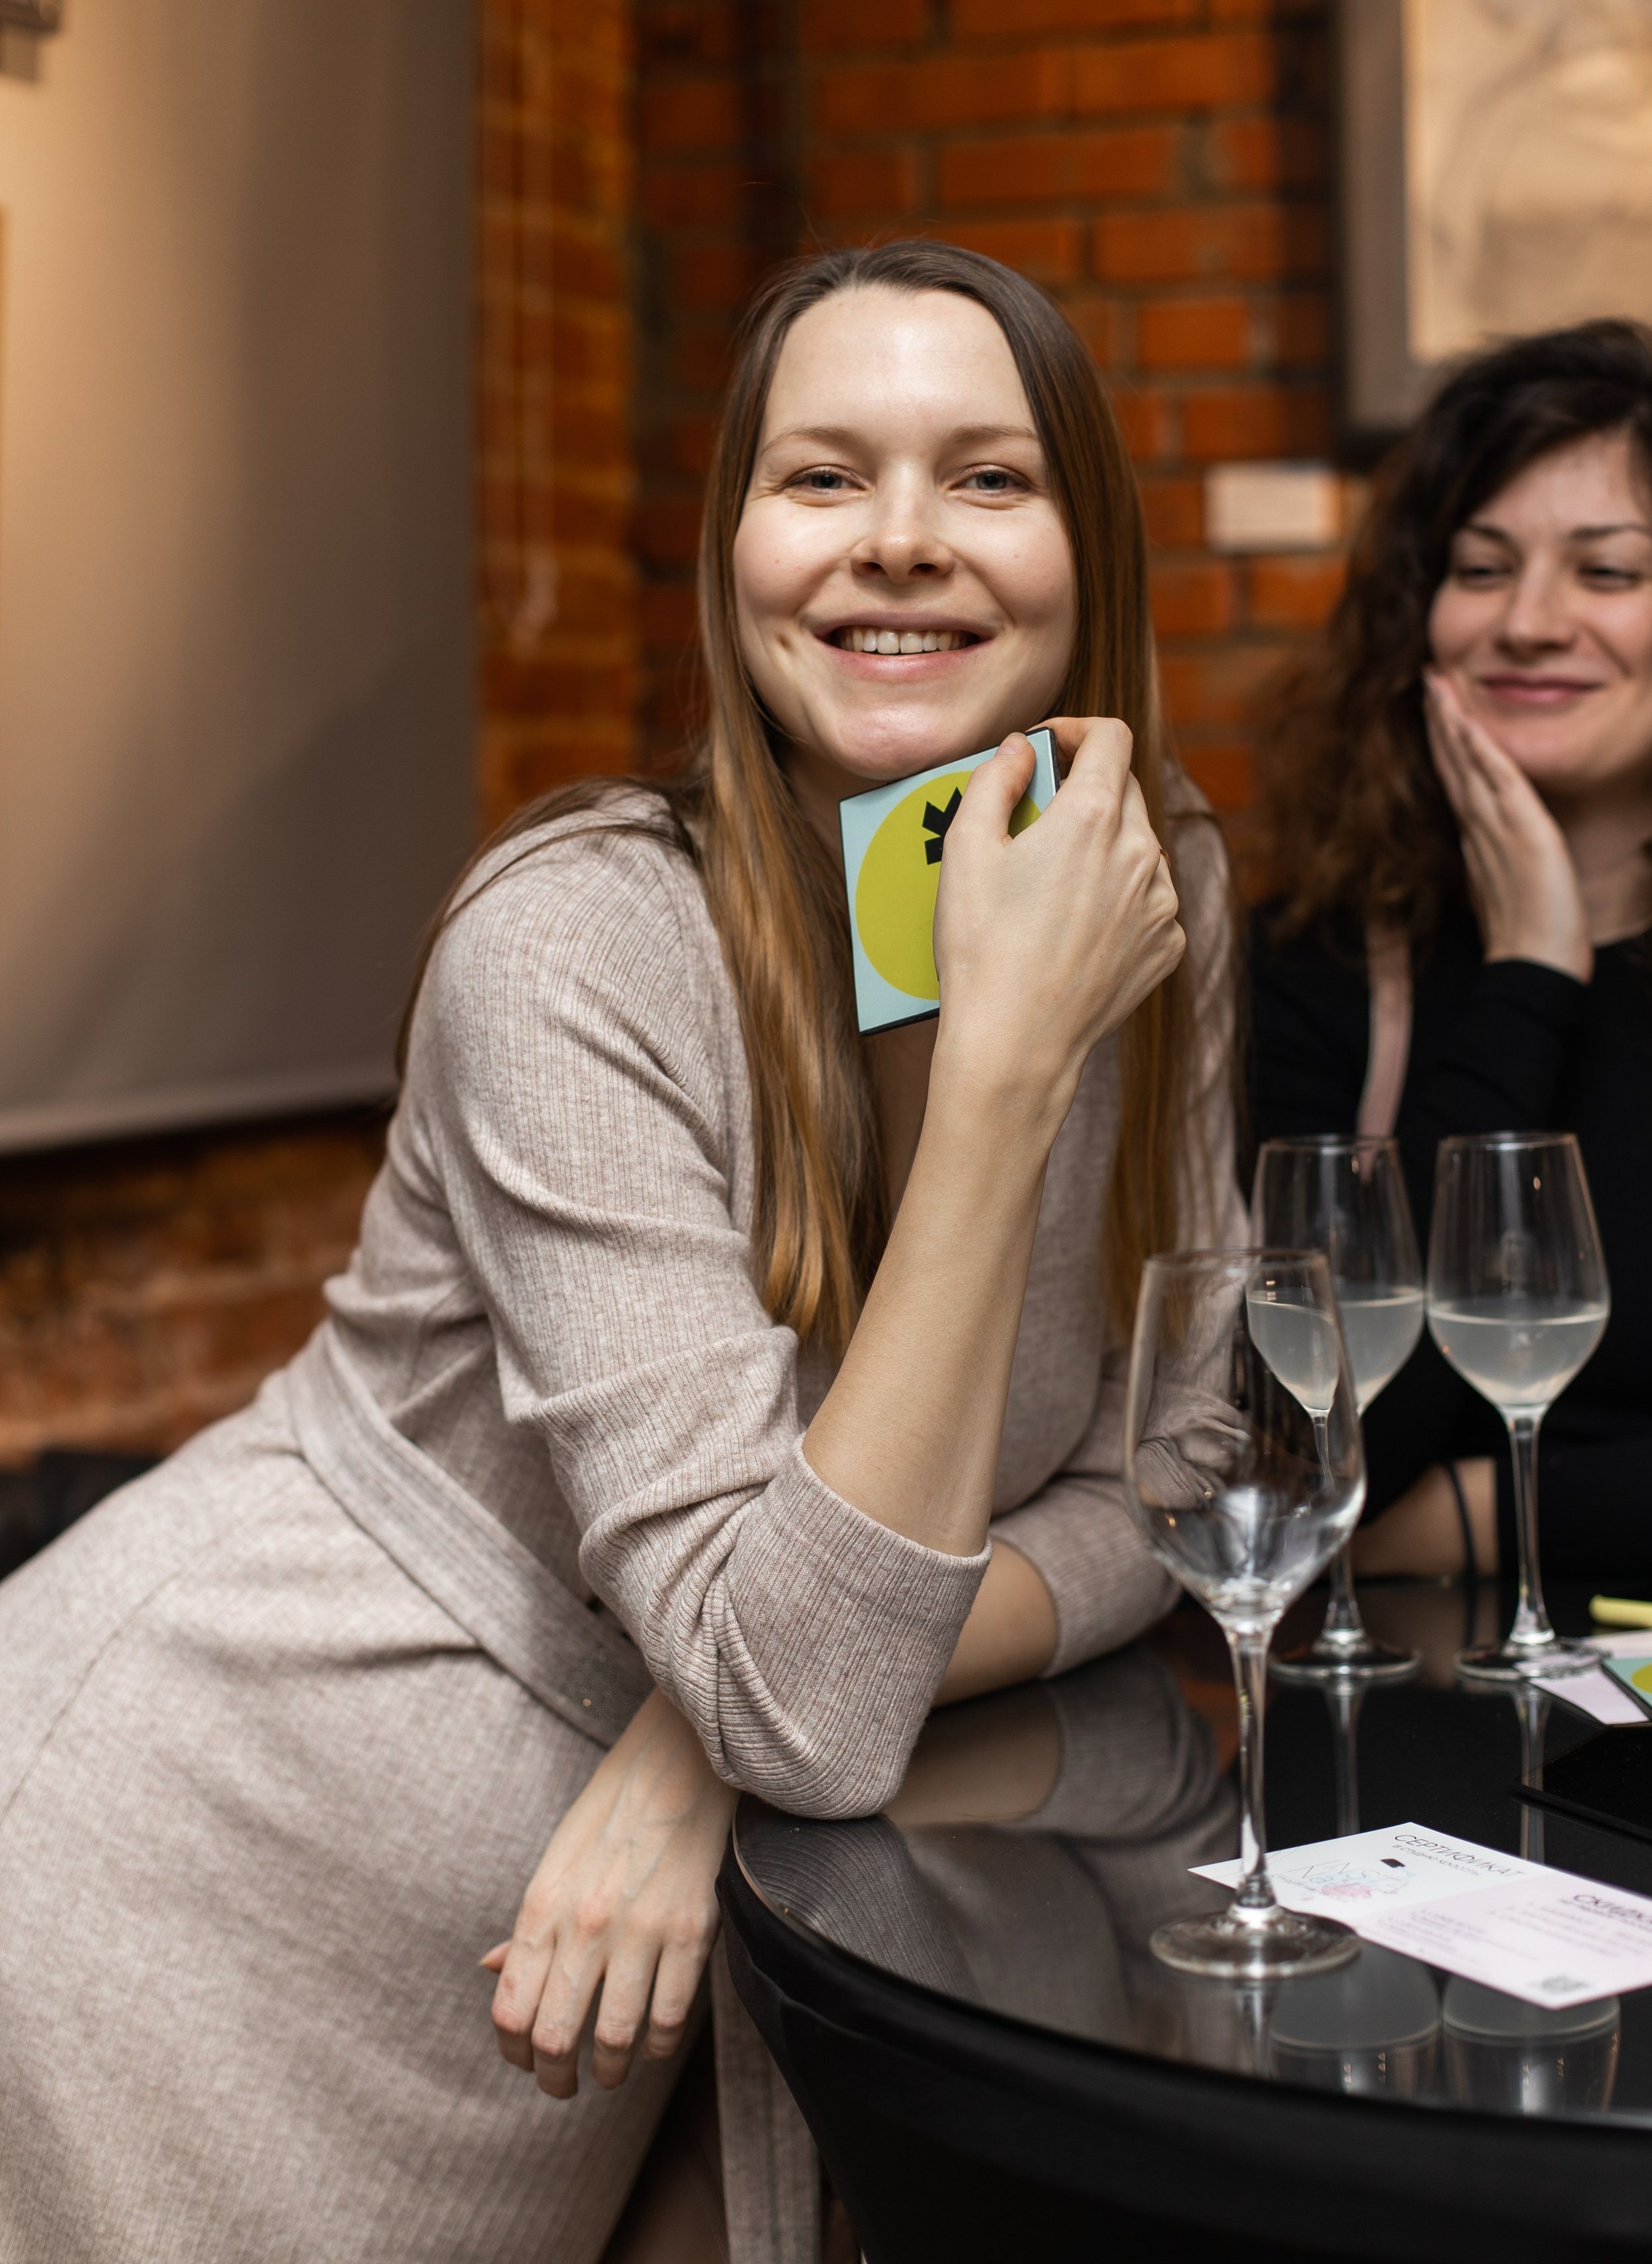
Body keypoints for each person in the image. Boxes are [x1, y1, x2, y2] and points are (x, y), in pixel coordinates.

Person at [0, 240, 1240, 2264]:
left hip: (630, 1957)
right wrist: (1002, 1077)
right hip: (207, 1879)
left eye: (988, 480)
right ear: (733, 548)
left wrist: (720, 1726)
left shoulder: (1151, 882)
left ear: (1089, 541)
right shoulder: (574, 943)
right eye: (823, 477)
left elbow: (1182, 1475)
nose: (900, 544)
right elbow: (802, 1698)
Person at [1248, 320, 1652, 1592]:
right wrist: (1529, 980)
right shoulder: (1314, 972)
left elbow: (1384, 1513)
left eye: (1608, 572)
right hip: (1412, 1743)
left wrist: (1471, 1511)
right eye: (1482, 567)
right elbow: (1305, 1455)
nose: (1531, 623)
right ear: (1420, 619)